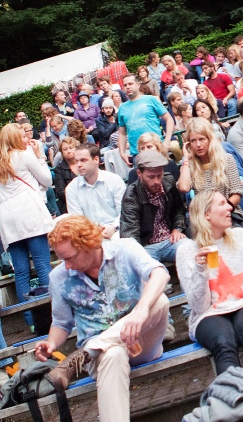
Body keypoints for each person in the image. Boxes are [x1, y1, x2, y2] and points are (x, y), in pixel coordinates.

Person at [35, 215, 169, 422]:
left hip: (143, 341)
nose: (67, 266)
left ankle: (79, 357)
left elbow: (160, 274)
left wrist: (140, 311)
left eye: (70, 258)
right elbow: (62, 323)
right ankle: (93, 350)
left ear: (89, 244)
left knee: (159, 301)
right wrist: (51, 343)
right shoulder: (58, 278)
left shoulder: (124, 249)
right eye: (62, 260)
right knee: (113, 354)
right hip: (101, 358)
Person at [176, 190, 243, 382]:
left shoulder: (239, 235)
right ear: (207, 214)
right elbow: (200, 306)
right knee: (223, 341)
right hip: (209, 313)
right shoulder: (187, 250)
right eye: (222, 204)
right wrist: (200, 268)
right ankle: (236, 404)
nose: (229, 207)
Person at [0, 124, 53, 328]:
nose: (26, 139)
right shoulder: (24, 154)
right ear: (14, 139)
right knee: (42, 264)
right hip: (29, 213)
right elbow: (47, 180)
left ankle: (30, 320)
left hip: (7, 218)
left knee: (21, 271)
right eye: (22, 136)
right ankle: (51, 314)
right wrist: (39, 155)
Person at [120, 150, 187, 263]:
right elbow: (130, 234)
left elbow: (178, 210)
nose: (156, 181)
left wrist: (177, 228)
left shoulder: (168, 181)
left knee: (191, 250)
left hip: (170, 239)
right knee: (149, 269)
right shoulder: (131, 195)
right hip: (146, 246)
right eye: (151, 177)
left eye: (159, 175)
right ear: (139, 173)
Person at [178, 117, 243, 216]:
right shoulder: (189, 166)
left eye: (202, 139)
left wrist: (219, 211)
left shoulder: (227, 159)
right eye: (193, 141)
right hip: (204, 218)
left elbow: (237, 194)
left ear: (210, 139)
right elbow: (183, 188)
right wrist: (186, 159)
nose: (198, 144)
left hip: (229, 212)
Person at [66, 143, 126, 239]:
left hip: (116, 229)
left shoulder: (114, 180)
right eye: (76, 161)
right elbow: (77, 220)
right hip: (89, 234)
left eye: (83, 160)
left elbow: (124, 212)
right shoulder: (72, 188)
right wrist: (93, 231)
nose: (79, 165)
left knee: (118, 239)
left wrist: (114, 227)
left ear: (96, 160)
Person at [118, 74, 174, 167]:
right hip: (137, 153)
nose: (128, 87)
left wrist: (167, 140)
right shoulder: (122, 108)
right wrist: (122, 153)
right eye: (125, 85)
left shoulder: (151, 99)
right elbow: (122, 133)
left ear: (138, 84)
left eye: (130, 84)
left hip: (156, 149)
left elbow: (169, 119)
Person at [54, 137, 79, 214]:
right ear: (62, 153)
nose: (68, 151)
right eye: (65, 149)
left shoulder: (85, 163)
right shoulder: (59, 169)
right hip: (70, 204)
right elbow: (60, 192)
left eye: (71, 148)